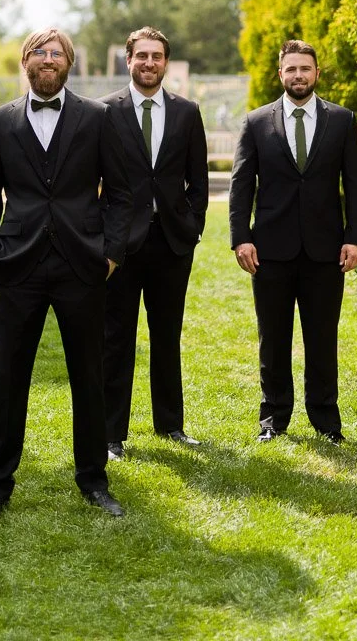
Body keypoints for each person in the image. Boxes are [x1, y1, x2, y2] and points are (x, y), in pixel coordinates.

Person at [0, 28, 132, 522]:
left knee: (89, 375)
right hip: (17, 266)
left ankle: (93, 480)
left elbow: (122, 192)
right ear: (26, 62)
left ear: (69, 63)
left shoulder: (97, 117)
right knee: (7, 377)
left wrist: (109, 253)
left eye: (56, 52)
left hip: (81, 266)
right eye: (39, 52)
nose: (48, 59)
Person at [228, 39, 357, 443]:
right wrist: (242, 239)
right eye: (291, 69)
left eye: (305, 69)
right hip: (270, 250)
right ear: (281, 74)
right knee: (272, 338)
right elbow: (241, 186)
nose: (298, 76)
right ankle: (273, 419)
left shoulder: (341, 120)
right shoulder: (256, 122)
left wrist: (355, 238)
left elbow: (355, 185)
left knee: (322, 339)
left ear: (316, 73)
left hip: (326, 251)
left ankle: (326, 421)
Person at [101, 26, 208, 459]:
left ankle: (170, 425)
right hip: (120, 248)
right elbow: (92, 180)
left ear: (166, 62)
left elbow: (198, 181)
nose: (149, 63)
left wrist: (193, 225)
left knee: (167, 336)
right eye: (141, 56)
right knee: (116, 338)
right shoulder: (104, 111)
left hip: (171, 243)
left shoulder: (187, 112)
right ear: (128, 60)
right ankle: (111, 434)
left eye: (157, 56)